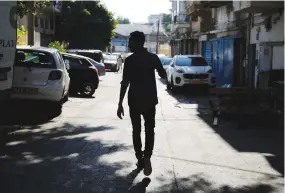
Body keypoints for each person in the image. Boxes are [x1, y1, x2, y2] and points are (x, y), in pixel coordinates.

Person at [117, 31, 166, 176]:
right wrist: (159, 71)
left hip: (134, 100)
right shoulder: (153, 57)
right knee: (149, 129)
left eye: (130, 42)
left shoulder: (130, 60)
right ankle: (147, 156)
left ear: (138, 43)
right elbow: (163, 74)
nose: (128, 44)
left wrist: (120, 103)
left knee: (136, 130)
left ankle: (140, 158)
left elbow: (125, 82)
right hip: (150, 100)